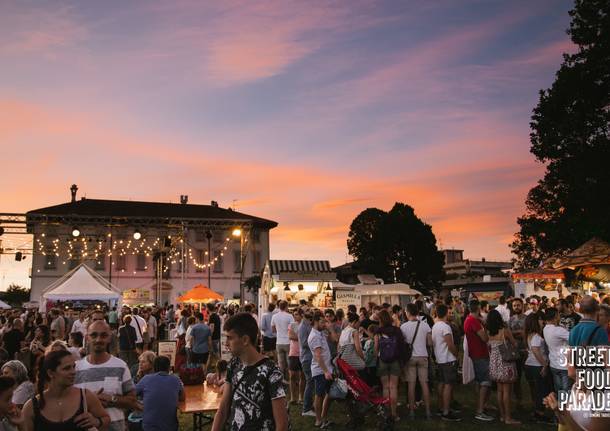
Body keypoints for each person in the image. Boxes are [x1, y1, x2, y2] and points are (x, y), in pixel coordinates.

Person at [211, 312, 289, 431]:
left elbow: (282, 424)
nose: (226, 343)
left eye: (230, 338)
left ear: (245, 340)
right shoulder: (233, 364)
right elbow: (223, 409)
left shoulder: (272, 372)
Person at [20, 349, 110, 431]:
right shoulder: (31, 407)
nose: (73, 372)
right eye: (66, 368)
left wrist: (97, 422)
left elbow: (106, 419)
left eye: (73, 367)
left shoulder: (85, 396)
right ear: (51, 373)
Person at [74, 319, 136, 431]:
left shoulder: (121, 366)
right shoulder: (76, 368)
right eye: (94, 335)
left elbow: (132, 401)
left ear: (109, 338)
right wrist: (90, 400)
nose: (98, 339)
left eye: (103, 335)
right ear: (87, 338)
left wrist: (111, 399)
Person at [486, 309, 519, 425]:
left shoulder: (488, 332)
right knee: (506, 391)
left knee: (499, 390)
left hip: (494, 362)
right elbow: (514, 343)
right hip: (505, 361)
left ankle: (502, 415)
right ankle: (508, 417)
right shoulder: (504, 331)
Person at [135, 355, 184, 431]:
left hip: (149, 427)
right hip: (171, 427)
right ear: (169, 368)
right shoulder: (176, 380)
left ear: (154, 368)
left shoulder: (146, 379)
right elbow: (182, 398)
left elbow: (132, 394)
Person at [463, 299, 494, 422]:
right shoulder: (474, 321)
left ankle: (483, 405)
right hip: (480, 355)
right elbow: (485, 338)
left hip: (476, 354)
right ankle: (480, 411)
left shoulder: (468, 320)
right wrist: (485, 329)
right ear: (478, 308)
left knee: (480, 382)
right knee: (485, 382)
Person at [401, 303, 432, 419]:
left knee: (411, 385)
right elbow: (429, 343)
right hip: (423, 356)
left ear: (407, 312)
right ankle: (428, 411)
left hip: (410, 358)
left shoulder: (403, 327)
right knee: (424, 384)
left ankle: (412, 411)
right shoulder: (425, 325)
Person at [374, 309, 405, 421]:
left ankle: (386, 412)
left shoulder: (378, 331)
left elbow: (376, 348)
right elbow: (402, 346)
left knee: (385, 387)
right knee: (393, 387)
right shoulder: (397, 330)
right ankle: (394, 413)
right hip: (395, 361)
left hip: (383, 361)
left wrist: (376, 356)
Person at [431, 304, 460, 422]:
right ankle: (446, 412)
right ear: (446, 313)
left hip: (440, 358)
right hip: (448, 359)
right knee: (448, 385)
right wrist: (456, 354)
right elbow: (450, 344)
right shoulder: (445, 327)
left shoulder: (435, 326)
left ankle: (441, 407)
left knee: (441, 383)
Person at [523, 313, 553, 423]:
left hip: (531, 365)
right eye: (541, 320)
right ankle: (539, 414)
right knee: (542, 389)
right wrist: (544, 365)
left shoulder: (530, 334)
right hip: (537, 365)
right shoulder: (535, 336)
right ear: (535, 322)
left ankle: (536, 410)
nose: (543, 322)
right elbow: (536, 351)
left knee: (536, 390)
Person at [307, 311, 333, 429]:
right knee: (319, 395)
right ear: (316, 321)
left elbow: (334, 339)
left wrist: (329, 328)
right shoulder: (314, 336)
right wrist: (325, 371)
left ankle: (323, 417)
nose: (324, 324)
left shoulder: (320, 332)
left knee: (329, 394)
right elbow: (318, 356)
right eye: (322, 322)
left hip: (326, 369)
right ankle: (318, 420)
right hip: (320, 371)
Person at [543, 307, 571, 394]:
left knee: (559, 389)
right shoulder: (558, 330)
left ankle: (559, 405)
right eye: (558, 314)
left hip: (554, 363)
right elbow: (573, 338)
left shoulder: (545, 328)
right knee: (566, 390)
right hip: (563, 364)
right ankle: (565, 406)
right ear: (555, 316)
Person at [297, 308, 315, 418]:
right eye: (307, 310)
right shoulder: (303, 327)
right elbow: (304, 343)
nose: (310, 311)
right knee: (310, 382)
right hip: (306, 358)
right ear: (303, 314)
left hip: (309, 357)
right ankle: (306, 408)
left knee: (311, 382)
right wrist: (315, 343)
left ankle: (309, 405)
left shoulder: (307, 324)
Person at [271, 301, 294, 382]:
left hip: (279, 342)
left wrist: (279, 330)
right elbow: (292, 329)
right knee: (289, 361)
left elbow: (273, 330)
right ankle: (291, 378)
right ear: (286, 306)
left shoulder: (274, 316)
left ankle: (283, 378)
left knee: (281, 362)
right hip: (287, 342)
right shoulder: (290, 316)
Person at [287, 309, 304, 404]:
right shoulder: (292, 325)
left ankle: (301, 397)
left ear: (301, 315)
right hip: (293, 352)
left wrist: (297, 336)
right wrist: (302, 337)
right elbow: (290, 336)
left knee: (303, 376)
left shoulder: (305, 325)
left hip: (303, 353)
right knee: (292, 375)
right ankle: (293, 397)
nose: (295, 316)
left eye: (297, 314)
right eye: (294, 315)